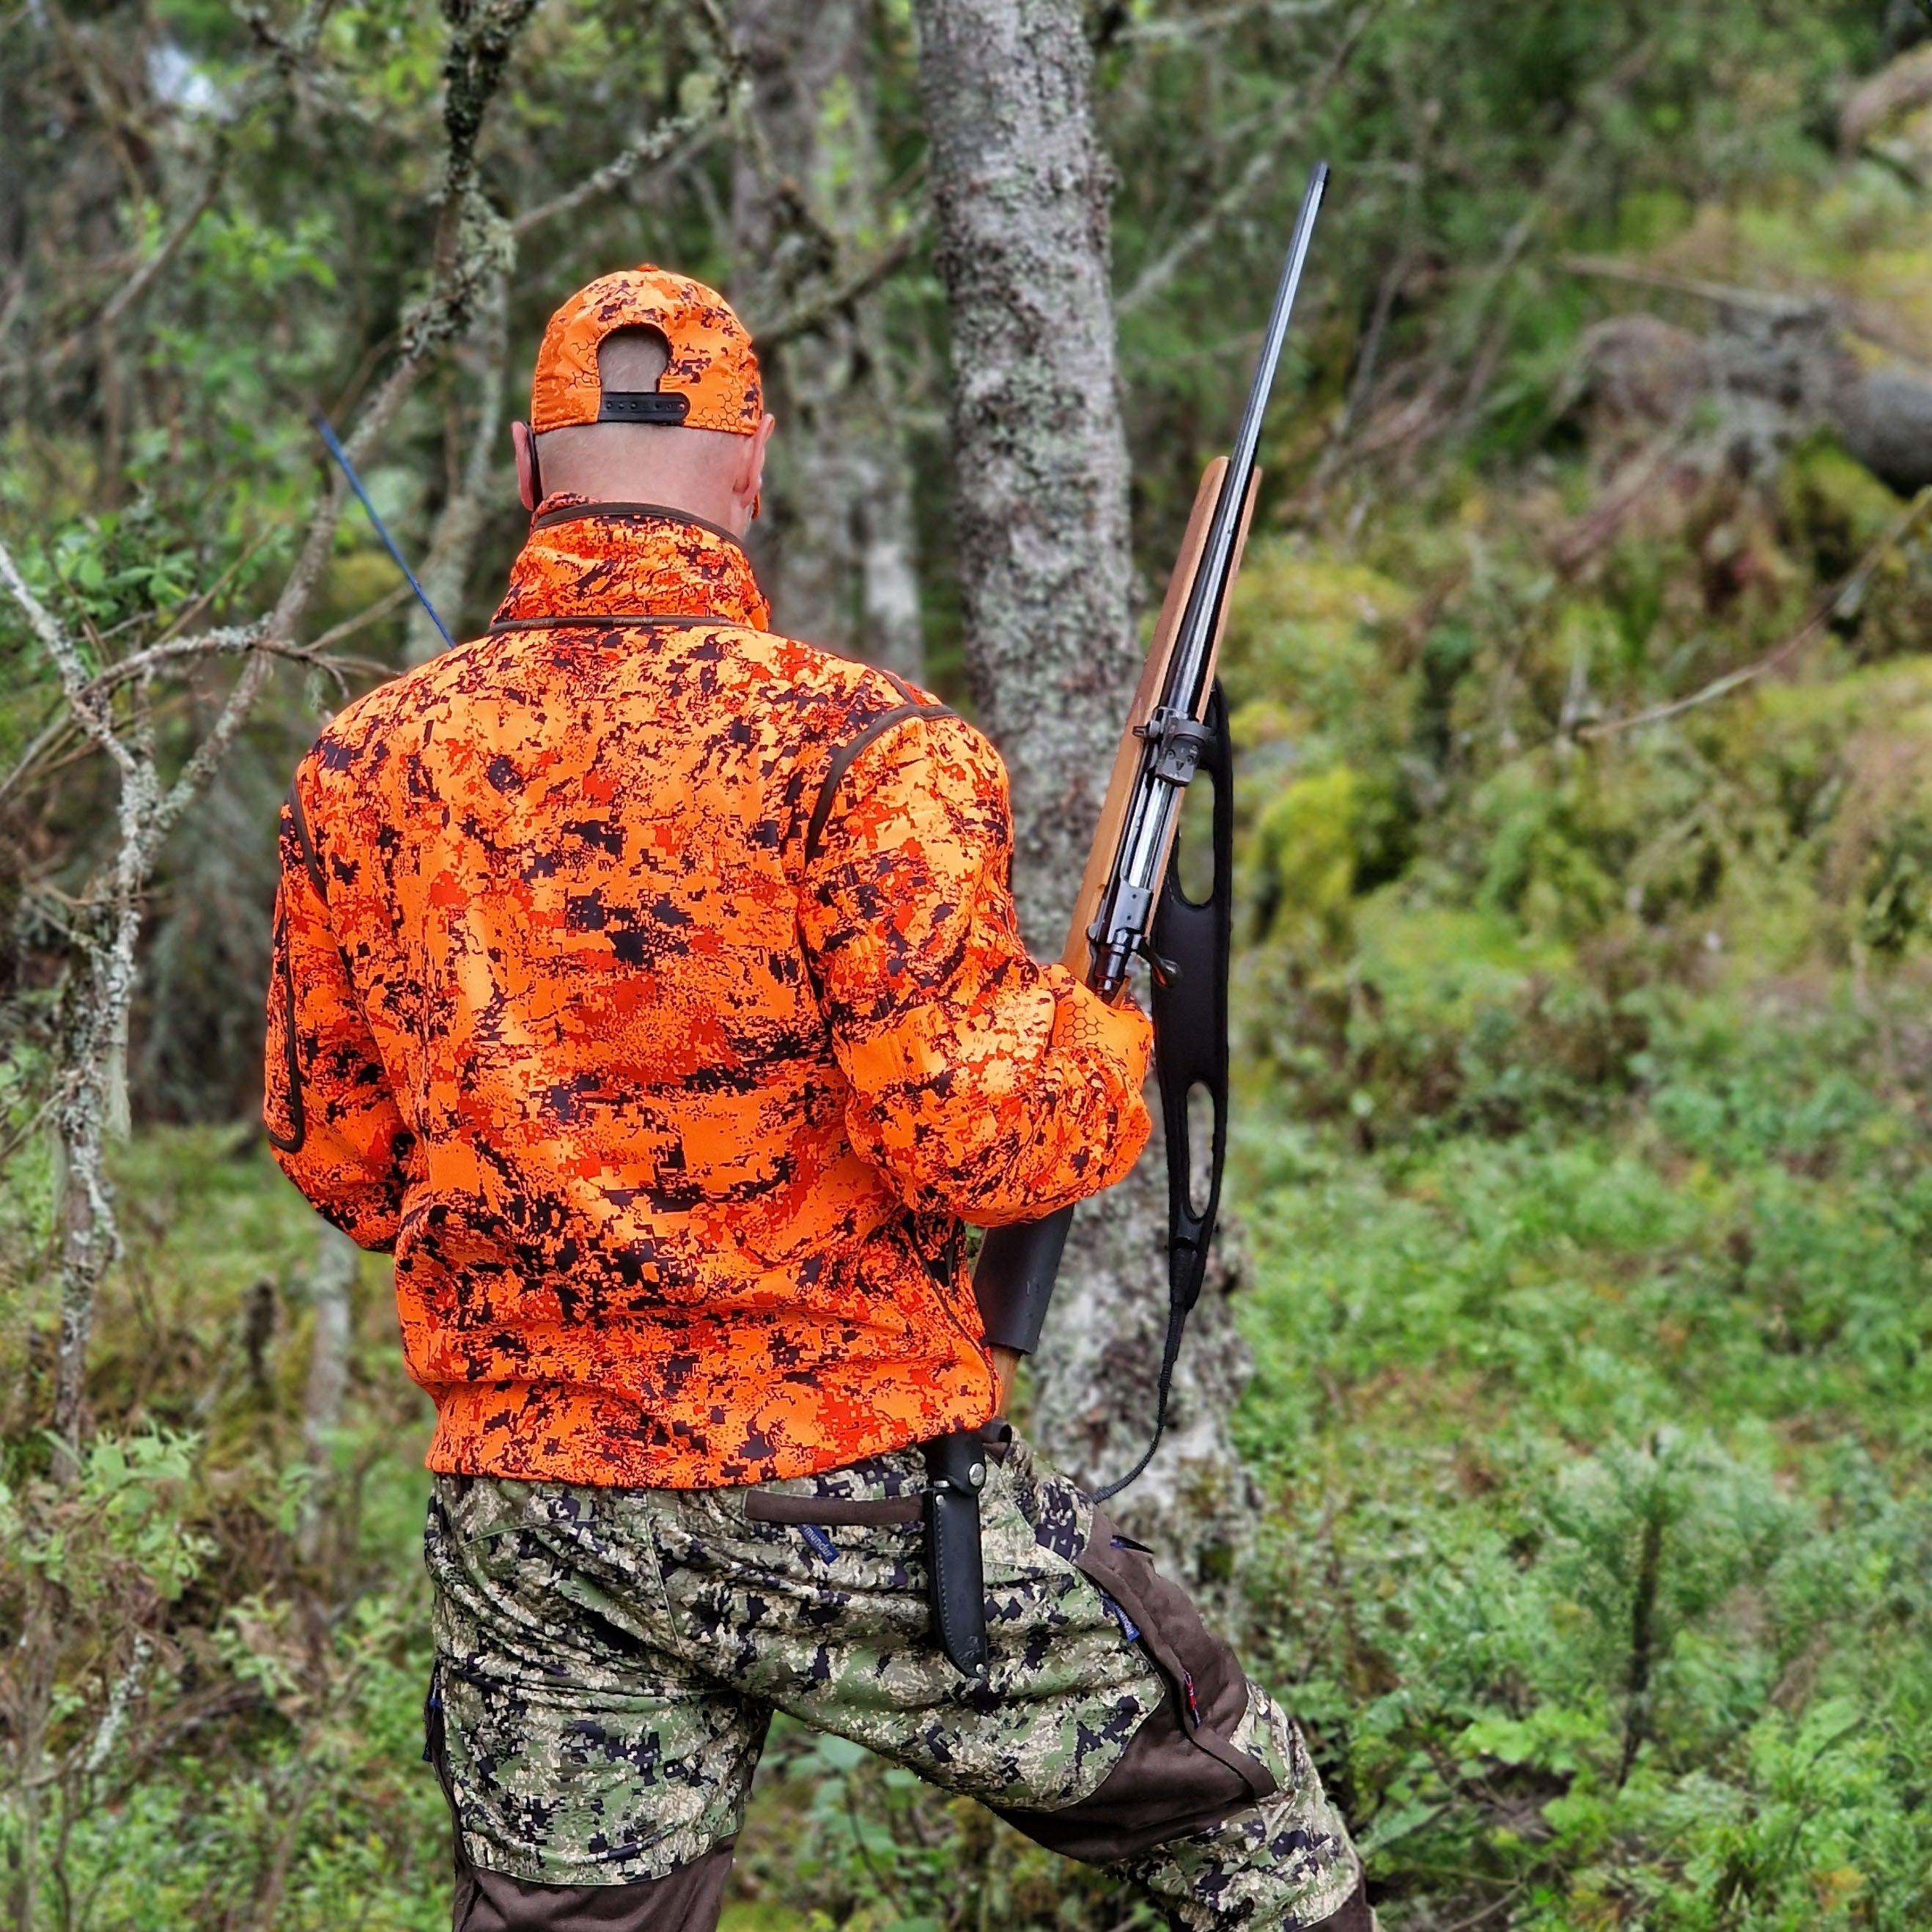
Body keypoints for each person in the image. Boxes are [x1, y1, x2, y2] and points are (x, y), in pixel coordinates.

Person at [263, 265, 1367, 1932]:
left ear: (520, 459)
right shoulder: (872, 750)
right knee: (1243, 1829)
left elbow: (336, 1153)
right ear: (754, 460)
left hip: (530, 1508)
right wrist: (1100, 1036)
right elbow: (978, 1136)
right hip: (840, 1487)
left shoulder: (366, 762)